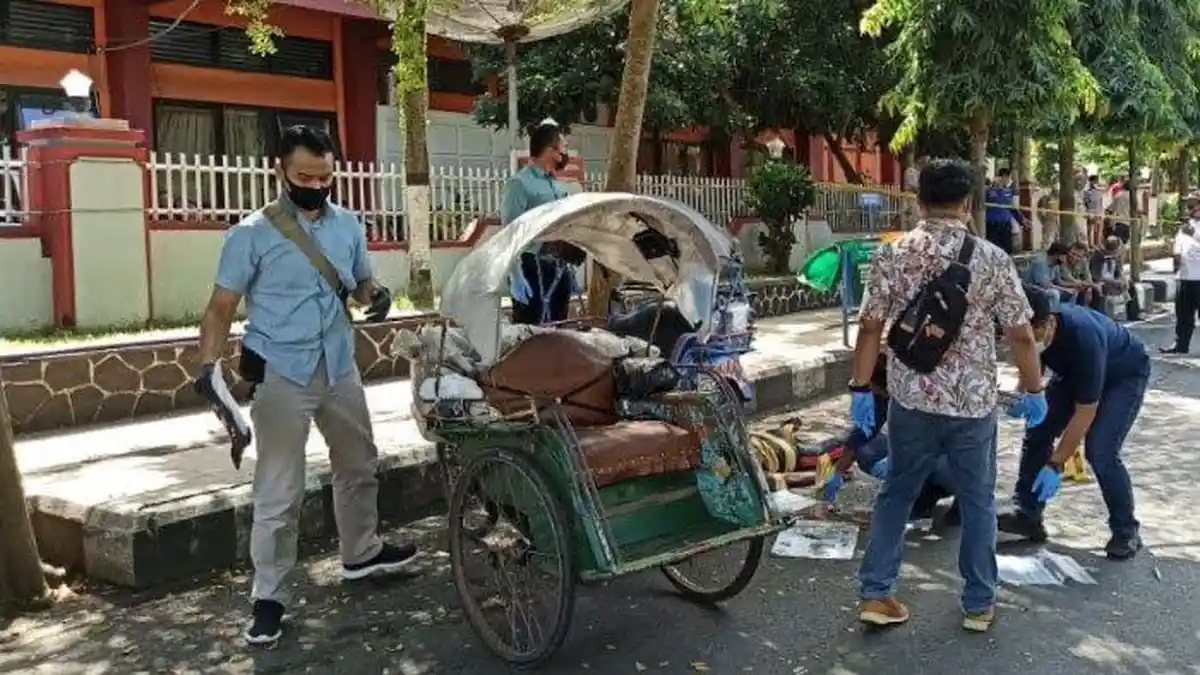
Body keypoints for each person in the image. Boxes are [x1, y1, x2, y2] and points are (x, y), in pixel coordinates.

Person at [195, 126, 418, 646]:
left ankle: (361, 553)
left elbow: (360, 282)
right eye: (304, 177)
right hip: (281, 371)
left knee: (359, 462)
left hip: (338, 363)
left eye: (325, 176)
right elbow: (221, 307)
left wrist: (375, 293)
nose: (316, 186)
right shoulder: (251, 234)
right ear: (280, 171)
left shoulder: (348, 225)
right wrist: (210, 367)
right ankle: (269, 597)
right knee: (280, 490)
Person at [849, 159, 1047, 633]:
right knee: (977, 500)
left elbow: (871, 326)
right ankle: (978, 604)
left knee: (896, 492)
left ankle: (877, 594)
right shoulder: (992, 258)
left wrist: (860, 388)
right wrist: (1034, 389)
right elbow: (1020, 335)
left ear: (919, 201)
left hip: (910, 400)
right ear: (970, 203)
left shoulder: (892, 254)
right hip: (972, 406)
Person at [998, 285, 1149, 560]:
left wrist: (1056, 464)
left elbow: (1085, 413)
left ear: (1047, 323)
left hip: (1123, 374)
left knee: (1100, 450)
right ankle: (1028, 515)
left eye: (1031, 336)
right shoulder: (1029, 332)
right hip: (1073, 373)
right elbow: (1032, 362)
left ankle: (1126, 529)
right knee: (1039, 429)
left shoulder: (1082, 339)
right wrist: (1023, 395)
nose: (1024, 341)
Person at [823, 354, 959, 524]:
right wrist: (838, 474)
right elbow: (858, 438)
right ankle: (924, 499)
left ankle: (958, 505)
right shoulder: (880, 399)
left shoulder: (924, 395)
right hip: (920, 455)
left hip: (951, 461)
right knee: (868, 453)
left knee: (937, 466)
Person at [501, 121, 576, 325]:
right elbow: (510, 231)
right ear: (550, 150)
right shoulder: (520, 184)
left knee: (558, 331)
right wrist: (516, 275)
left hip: (558, 267)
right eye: (564, 146)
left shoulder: (558, 187)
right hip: (530, 266)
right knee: (531, 335)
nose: (565, 152)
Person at [1160, 217, 1200, 354]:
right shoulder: (1185, 228)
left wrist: (1194, 233)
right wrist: (1176, 263)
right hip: (1185, 277)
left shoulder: (1192, 230)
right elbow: (1178, 248)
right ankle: (1181, 345)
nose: (1193, 210)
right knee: (1183, 315)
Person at [984, 169, 1028, 255]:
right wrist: (995, 187)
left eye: (1008, 177)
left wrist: (1022, 220)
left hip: (1006, 225)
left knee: (1007, 250)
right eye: (1005, 177)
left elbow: (1012, 208)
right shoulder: (989, 191)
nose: (1007, 180)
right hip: (992, 225)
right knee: (994, 250)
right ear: (1000, 177)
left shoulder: (1008, 191)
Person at [1083, 175, 1106, 246]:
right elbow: (1086, 203)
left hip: (1098, 213)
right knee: (1091, 230)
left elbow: (1101, 203)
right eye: (1094, 181)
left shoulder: (1099, 192)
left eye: (1096, 181)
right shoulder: (1087, 192)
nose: (1096, 182)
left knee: (1098, 230)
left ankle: (1097, 244)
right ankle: (1091, 245)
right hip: (1092, 213)